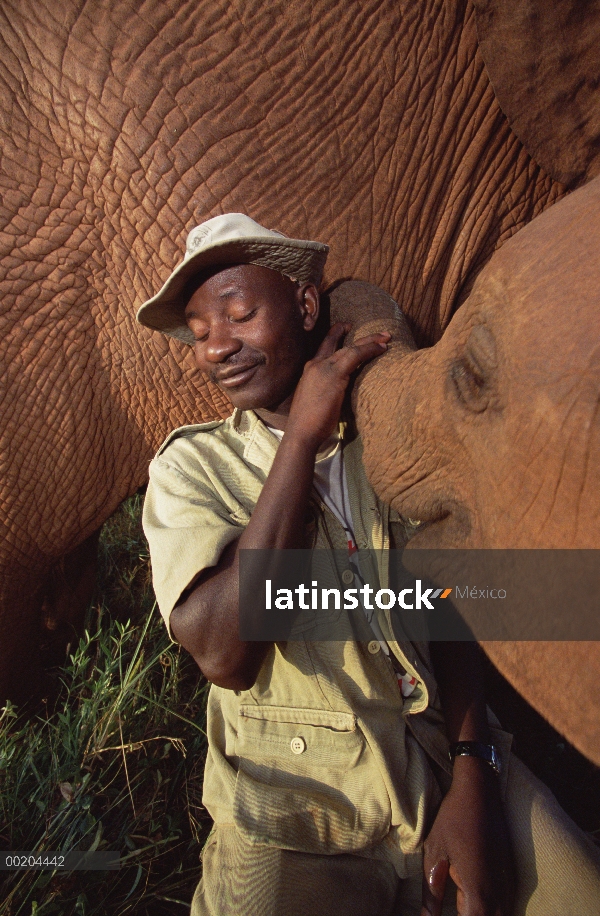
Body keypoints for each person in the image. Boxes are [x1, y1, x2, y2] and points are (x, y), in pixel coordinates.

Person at [137, 214, 600, 916]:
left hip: (445, 770)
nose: (218, 348)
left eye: (239, 314)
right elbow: (225, 651)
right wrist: (301, 439)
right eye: (200, 334)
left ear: (304, 306)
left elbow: (451, 603)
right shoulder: (190, 469)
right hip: (293, 820)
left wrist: (474, 774)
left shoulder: (381, 437)